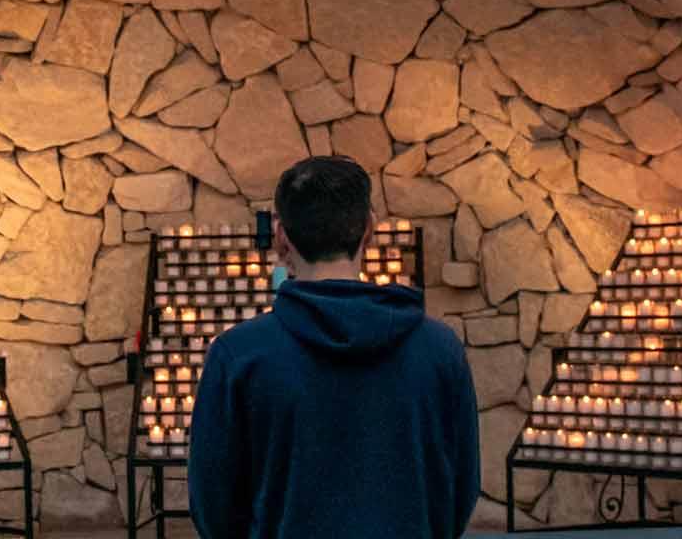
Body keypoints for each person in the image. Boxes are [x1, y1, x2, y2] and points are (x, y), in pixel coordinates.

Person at [190, 156, 480, 539]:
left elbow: (213, 507)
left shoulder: (239, 357)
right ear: (369, 230)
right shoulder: (439, 351)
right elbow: (459, 491)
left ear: (280, 238)